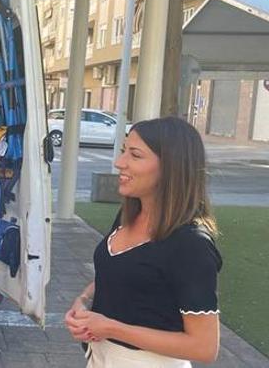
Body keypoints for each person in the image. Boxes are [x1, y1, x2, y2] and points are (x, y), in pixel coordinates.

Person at [65, 116, 222, 367]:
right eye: (123, 151)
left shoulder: (190, 244)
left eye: (135, 155)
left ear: (172, 167)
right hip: (101, 358)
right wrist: (83, 301)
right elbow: (121, 270)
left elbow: (204, 346)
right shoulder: (131, 214)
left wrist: (111, 328)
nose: (119, 163)